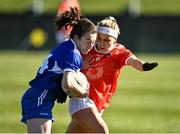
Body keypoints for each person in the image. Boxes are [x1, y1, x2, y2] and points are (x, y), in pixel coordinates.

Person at [66, 16, 158, 133]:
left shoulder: (119, 52)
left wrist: (144, 65)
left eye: (107, 40)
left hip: (98, 104)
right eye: (99, 38)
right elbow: (68, 61)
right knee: (102, 130)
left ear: (115, 40)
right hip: (81, 99)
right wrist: (80, 66)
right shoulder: (87, 47)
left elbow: (133, 61)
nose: (101, 43)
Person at [20, 7, 97, 133]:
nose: (91, 45)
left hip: (40, 97)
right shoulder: (72, 53)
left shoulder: (67, 45)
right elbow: (67, 83)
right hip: (40, 97)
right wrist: (84, 94)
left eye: (93, 42)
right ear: (77, 37)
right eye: (88, 40)